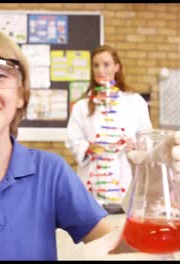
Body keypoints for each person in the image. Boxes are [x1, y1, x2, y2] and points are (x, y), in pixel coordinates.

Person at [0, 26, 180, 260]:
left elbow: (120, 250)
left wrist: (150, 195)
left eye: (0, 74)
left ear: (21, 95)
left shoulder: (50, 171)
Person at [65, 44, 152, 210]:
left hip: (125, 180)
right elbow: (73, 139)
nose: (100, 70)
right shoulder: (82, 106)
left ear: (117, 67)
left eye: (106, 64)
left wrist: (135, 145)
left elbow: (148, 138)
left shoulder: (135, 101)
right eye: (96, 65)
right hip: (92, 183)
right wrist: (88, 148)